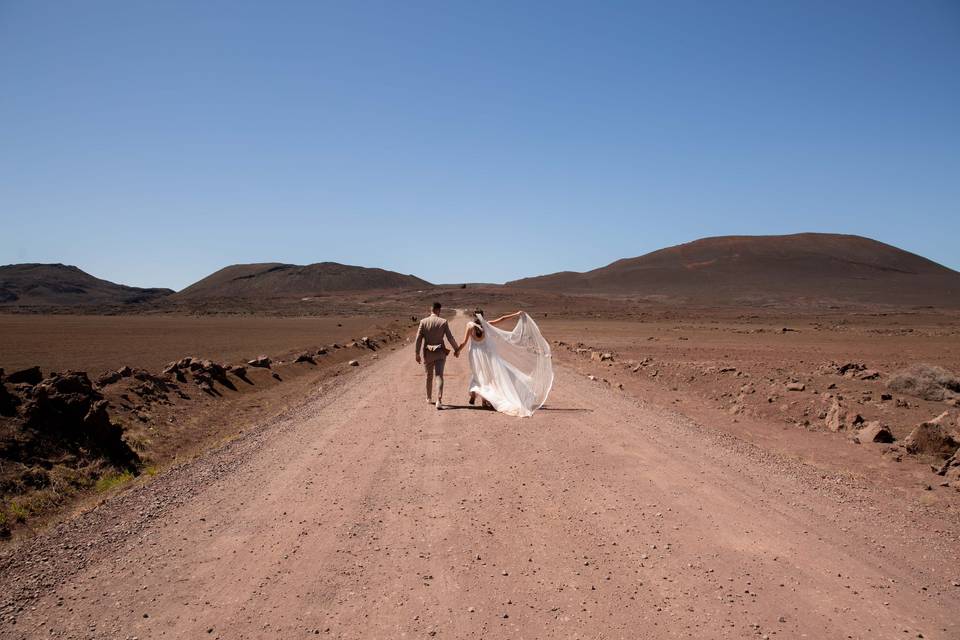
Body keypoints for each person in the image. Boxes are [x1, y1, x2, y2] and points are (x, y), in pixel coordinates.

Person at [454, 308, 554, 417]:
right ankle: (483, 399)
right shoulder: (487, 325)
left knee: (478, 374)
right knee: (488, 376)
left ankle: (474, 393)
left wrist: (458, 350)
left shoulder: (469, 325)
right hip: (487, 355)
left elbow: (464, 342)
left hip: (475, 354)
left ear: (473, 316)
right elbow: (502, 319)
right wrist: (516, 314)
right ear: (483, 315)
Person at [414, 302, 460, 410]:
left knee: (428, 376)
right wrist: (456, 349)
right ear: (438, 310)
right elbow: (450, 337)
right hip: (440, 352)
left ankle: (429, 398)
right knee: (439, 375)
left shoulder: (423, 322)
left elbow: (418, 339)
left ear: (431, 309)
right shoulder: (443, 322)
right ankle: (439, 400)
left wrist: (416, 353)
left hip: (428, 353)